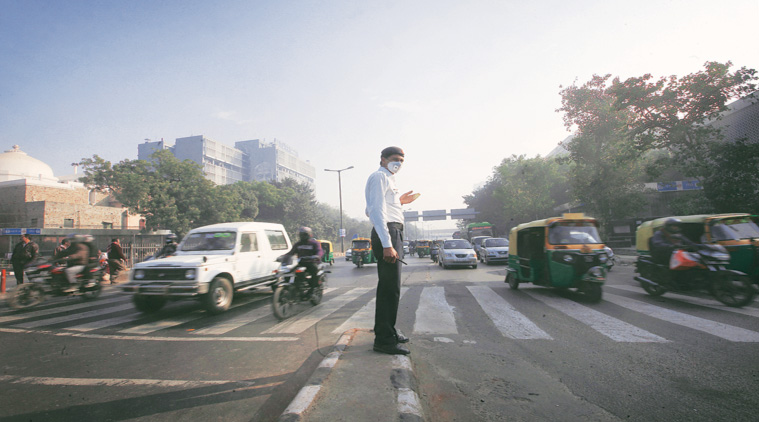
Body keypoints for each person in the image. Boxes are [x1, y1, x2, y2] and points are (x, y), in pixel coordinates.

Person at [365, 146, 419, 355]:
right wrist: (387, 244)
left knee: (391, 288)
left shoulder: (389, 180)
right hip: (388, 232)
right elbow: (375, 211)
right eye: (395, 159)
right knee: (389, 289)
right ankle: (384, 341)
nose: (399, 163)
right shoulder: (379, 177)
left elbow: (384, 206)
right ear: (383, 159)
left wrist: (400, 201)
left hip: (393, 231)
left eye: (402, 160)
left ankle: (389, 331)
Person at [282, 227, 323, 297]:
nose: (302, 236)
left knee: (315, 272)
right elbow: (291, 252)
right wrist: (283, 257)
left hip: (312, 262)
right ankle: (296, 286)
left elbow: (320, 251)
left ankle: (312, 290)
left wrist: (317, 256)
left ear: (309, 235)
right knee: (290, 272)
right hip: (301, 262)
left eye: (304, 234)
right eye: (301, 234)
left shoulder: (314, 243)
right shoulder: (298, 244)